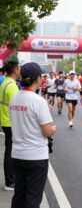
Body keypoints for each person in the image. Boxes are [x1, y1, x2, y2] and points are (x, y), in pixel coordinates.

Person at [9, 62, 56, 207]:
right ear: (37, 79)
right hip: (36, 157)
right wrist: (54, 129)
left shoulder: (14, 98)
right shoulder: (39, 101)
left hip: (17, 155)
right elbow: (47, 131)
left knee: (19, 195)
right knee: (33, 198)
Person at [0, 61, 20, 191]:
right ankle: (10, 182)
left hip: (5, 121)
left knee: (9, 151)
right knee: (11, 152)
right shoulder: (12, 86)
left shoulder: (4, 83)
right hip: (11, 122)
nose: (20, 71)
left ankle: (10, 179)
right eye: (19, 69)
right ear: (15, 70)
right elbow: (17, 106)